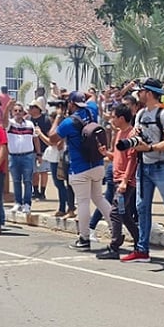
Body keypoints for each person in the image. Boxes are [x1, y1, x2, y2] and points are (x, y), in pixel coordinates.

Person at [120, 78, 164, 263]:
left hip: (162, 167)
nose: (138, 94)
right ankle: (142, 249)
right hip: (144, 166)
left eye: (141, 91)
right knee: (142, 208)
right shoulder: (141, 114)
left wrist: (149, 148)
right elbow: (136, 134)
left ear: (149, 93)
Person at [48, 90, 113, 251]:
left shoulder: (68, 122)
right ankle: (116, 230)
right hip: (97, 163)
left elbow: (51, 138)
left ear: (71, 104)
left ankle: (84, 238)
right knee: (99, 198)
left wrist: (58, 116)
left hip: (79, 167)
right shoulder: (92, 111)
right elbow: (92, 96)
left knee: (83, 202)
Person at [95, 104, 140, 259]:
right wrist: (106, 153)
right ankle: (139, 242)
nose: (112, 119)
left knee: (115, 211)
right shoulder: (119, 133)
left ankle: (114, 246)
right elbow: (118, 156)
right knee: (124, 213)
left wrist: (125, 181)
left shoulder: (131, 134)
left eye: (114, 116)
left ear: (121, 118)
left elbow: (132, 160)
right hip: (117, 178)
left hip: (125, 181)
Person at [2, 99, 40, 214]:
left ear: (23, 112)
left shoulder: (30, 124)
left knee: (28, 181)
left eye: (20, 110)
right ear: (12, 112)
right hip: (13, 156)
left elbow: (35, 139)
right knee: (16, 181)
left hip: (28, 156)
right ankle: (18, 203)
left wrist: (39, 154)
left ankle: (27, 203)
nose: (18, 112)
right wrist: (7, 107)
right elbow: (4, 122)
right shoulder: (10, 124)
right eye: (15, 110)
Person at [28, 99, 52, 200]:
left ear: (38, 109)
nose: (30, 109)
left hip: (44, 149)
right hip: (31, 150)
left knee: (43, 171)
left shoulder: (46, 120)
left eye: (32, 107)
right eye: (30, 107)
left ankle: (43, 192)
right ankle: (35, 191)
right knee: (34, 172)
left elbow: (49, 134)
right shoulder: (28, 120)